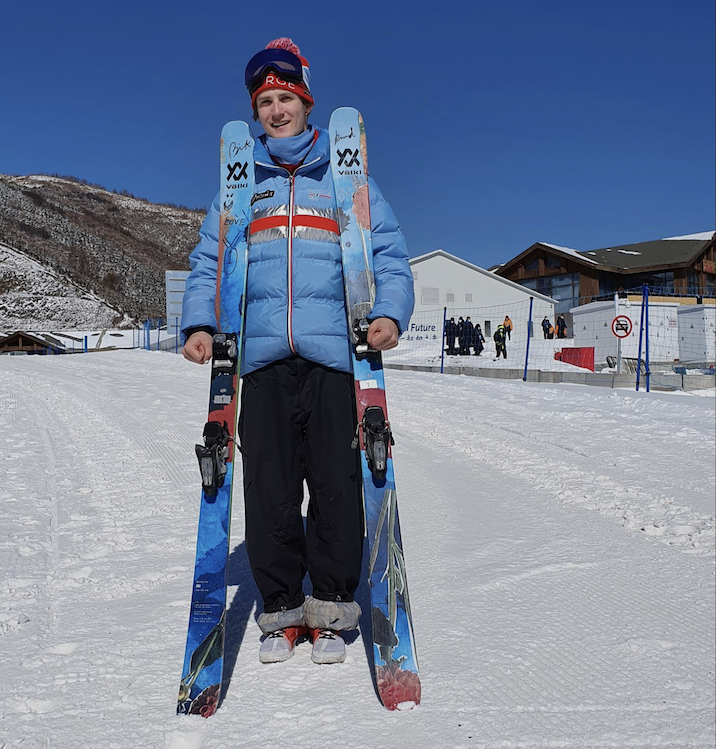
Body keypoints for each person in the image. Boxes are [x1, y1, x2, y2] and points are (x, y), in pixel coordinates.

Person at [181, 38, 414, 666]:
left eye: (286, 99)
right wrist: (199, 323)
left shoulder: (346, 179)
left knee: (336, 483)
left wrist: (389, 313)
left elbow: (388, 254)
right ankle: (282, 610)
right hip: (259, 361)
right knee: (270, 489)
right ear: (255, 113)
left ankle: (332, 606)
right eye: (265, 103)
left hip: (335, 359)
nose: (276, 111)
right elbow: (209, 262)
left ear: (307, 103)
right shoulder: (240, 186)